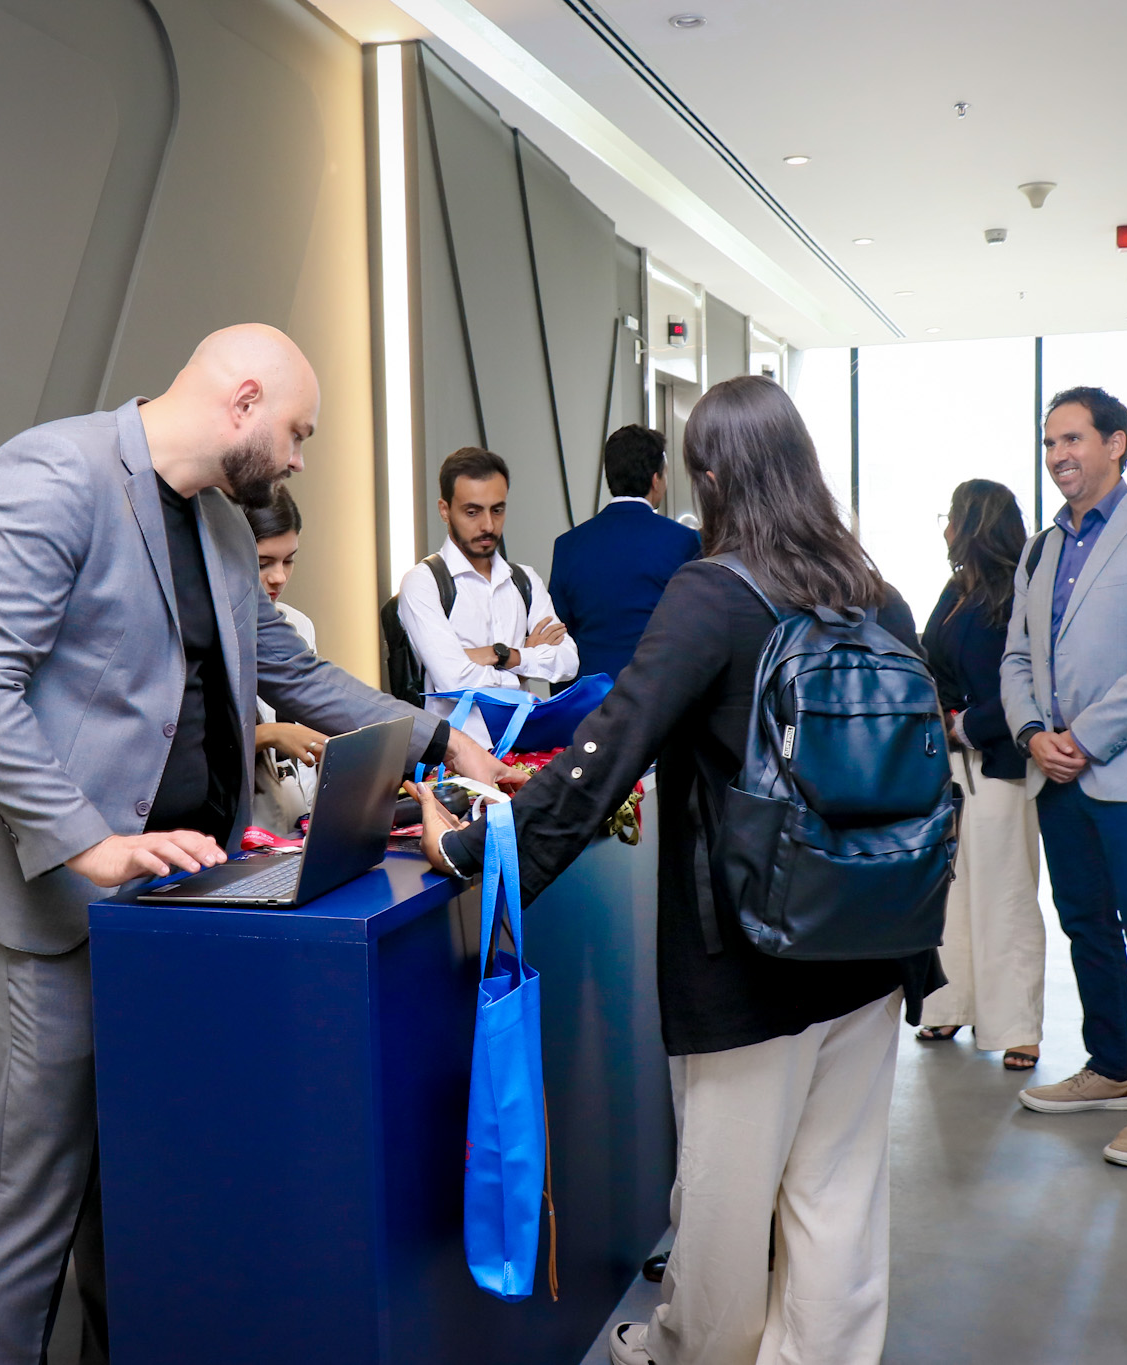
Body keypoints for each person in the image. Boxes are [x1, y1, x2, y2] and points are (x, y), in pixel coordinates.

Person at [0, 325, 521, 1365]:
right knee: (32, 1182)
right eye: (299, 431)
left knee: (128, 1164)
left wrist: (439, 736)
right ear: (245, 399)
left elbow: (296, 677)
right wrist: (85, 842)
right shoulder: (51, 474)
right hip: (38, 891)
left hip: (162, 903)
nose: (303, 455)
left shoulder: (219, 530)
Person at [413, 376, 940, 1365]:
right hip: (875, 939)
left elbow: (604, 755)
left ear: (703, 476)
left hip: (749, 954)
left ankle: (686, 1353)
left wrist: (477, 850)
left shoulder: (714, 593)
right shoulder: (876, 593)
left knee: (723, 1214)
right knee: (837, 1200)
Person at [1001, 385, 1127, 1168]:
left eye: (1074, 440)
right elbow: (1018, 653)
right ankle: (1112, 1066)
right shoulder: (1041, 546)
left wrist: (1081, 737)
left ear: (1117, 443)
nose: (1058, 456)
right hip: (1057, 776)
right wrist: (1032, 733)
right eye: (1050, 443)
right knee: (1086, 923)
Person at [916, 479, 1045, 1070]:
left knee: (1005, 893)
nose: (944, 525)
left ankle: (1017, 1025)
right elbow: (931, 659)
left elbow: (1029, 683)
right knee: (954, 889)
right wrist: (941, 715)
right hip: (952, 763)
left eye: (951, 514)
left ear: (974, 522)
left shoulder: (1019, 591)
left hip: (1000, 760)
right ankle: (949, 1003)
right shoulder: (956, 588)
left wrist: (967, 725)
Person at [396, 447, 579, 746]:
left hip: (524, 750)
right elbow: (454, 681)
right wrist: (522, 671)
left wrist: (502, 655)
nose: (488, 526)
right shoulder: (424, 583)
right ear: (445, 510)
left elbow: (568, 661)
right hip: (454, 760)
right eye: (472, 512)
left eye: (497, 509)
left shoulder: (525, 581)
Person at [548, 424, 702, 680]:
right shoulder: (684, 541)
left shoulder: (567, 545)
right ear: (656, 479)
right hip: (661, 700)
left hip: (590, 705)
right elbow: (697, 631)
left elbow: (559, 637)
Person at [246, 485, 326, 835]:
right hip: (242, 827)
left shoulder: (299, 625)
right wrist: (270, 734)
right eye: (264, 563)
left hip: (299, 817)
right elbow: (194, 747)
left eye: (288, 560)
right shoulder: (200, 637)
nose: (278, 577)